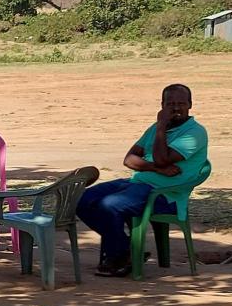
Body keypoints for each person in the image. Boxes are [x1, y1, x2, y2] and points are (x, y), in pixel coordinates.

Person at [75, 84, 209, 277]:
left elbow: (162, 157)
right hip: (137, 183)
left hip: (164, 194)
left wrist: (161, 127)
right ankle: (125, 250)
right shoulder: (154, 129)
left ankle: (118, 255)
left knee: (109, 205)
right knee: (83, 199)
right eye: (170, 104)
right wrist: (155, 167)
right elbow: (129, 159)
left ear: (190, 104)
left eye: (181, 103)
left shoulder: (195, 133)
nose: (176, 108)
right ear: (162, 105)